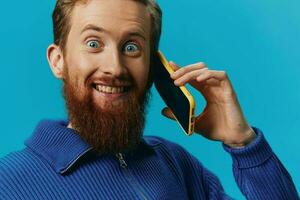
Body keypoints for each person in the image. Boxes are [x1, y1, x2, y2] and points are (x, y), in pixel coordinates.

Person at [0, 0, 298, 199]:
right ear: (58, 61)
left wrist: (243, 143)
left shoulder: (174, 162)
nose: (115, 68)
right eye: (93, 43)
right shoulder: (8, 182)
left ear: (153, 68)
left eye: (132, 47)